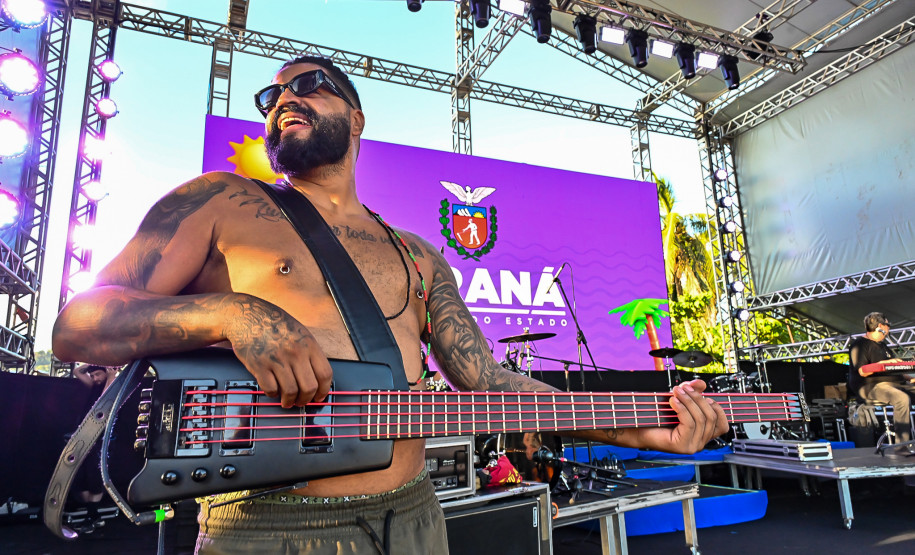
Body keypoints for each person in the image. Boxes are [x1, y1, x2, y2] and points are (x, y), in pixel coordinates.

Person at [52, 55, 728, 554]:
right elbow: (77, 324)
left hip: (413, 520)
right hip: (267, 528)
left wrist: (644, 427)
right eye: (272, 92)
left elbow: (490, 383)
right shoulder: (218, 201)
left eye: (308, 85)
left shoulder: (417, 255)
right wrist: (228, 313)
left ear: (356, 118)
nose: (282, 98)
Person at [848, 312, 914, 444]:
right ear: (880, 326)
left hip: (895, 383)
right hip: (871, 387)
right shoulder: (859, 345)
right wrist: (883, 363)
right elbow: (862, 371)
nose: (889, 328)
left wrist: (910, 378)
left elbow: (894, 370)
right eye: (888, 325)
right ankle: (902, 445)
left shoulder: (883, 346)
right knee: (902, 399)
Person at [71, 364, 118, 535]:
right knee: (80, 475)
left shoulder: (112, 384)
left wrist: (110, 375)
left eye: (98, 374)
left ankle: (91, 516)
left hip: (100, 436)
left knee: (94, 474)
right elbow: (77, 371)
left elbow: (104, 401)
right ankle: (93, 514)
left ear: (106, 372)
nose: (95, 378)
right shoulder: (93, 385)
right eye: (93, 376)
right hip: (84, 434)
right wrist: (92, 361)